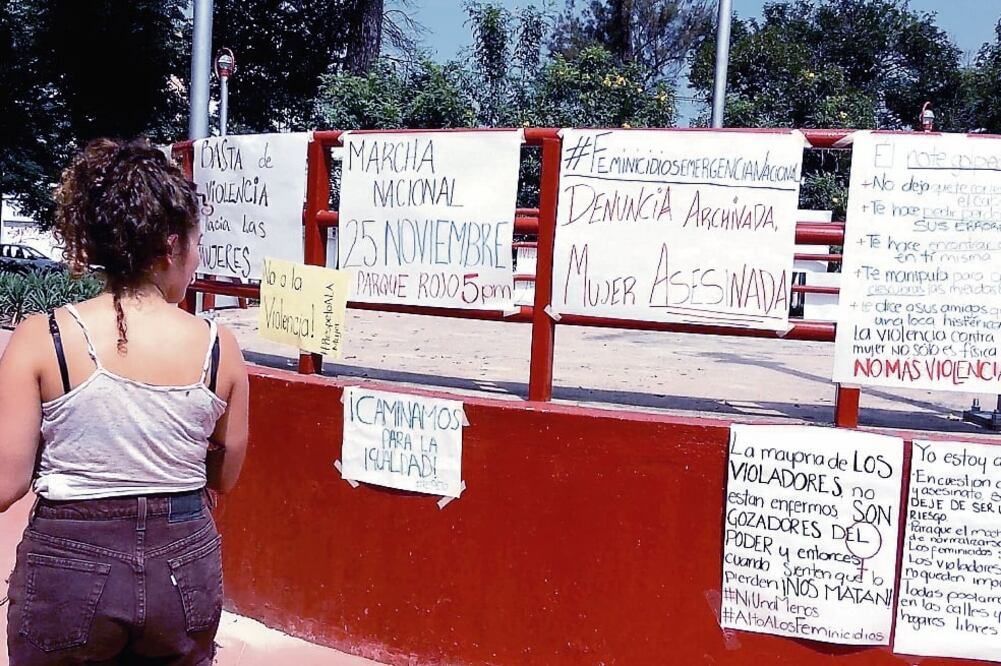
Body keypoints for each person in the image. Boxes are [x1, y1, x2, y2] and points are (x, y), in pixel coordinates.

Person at [0, 138, 249, 665]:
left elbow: (6, 483)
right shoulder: (218, 346)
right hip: (184, 562)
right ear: (171, 246)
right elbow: (224, 476)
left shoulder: (42, 337)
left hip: (69, 559)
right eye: (197, 244)